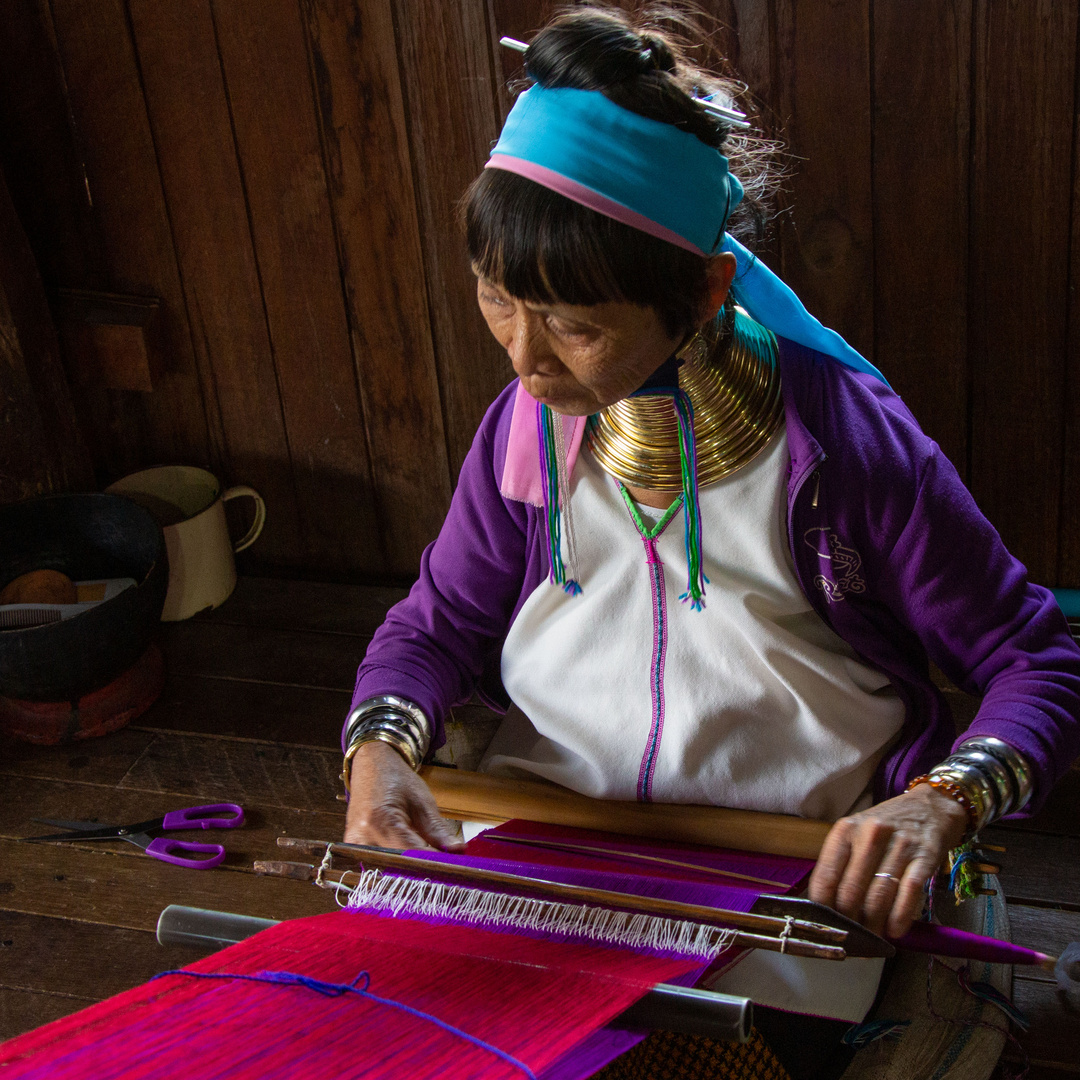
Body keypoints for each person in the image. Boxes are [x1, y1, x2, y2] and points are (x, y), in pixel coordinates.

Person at [341, 5, 1080, 954]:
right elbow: (436, 627)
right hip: (545, 848)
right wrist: (380, 750)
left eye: (574, 325)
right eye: (498, 297)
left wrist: (942, 800)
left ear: (702, 293)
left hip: (798, 873)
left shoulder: (847, 455)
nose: (525, 361)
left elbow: (1039, 660)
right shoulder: (525, 433)